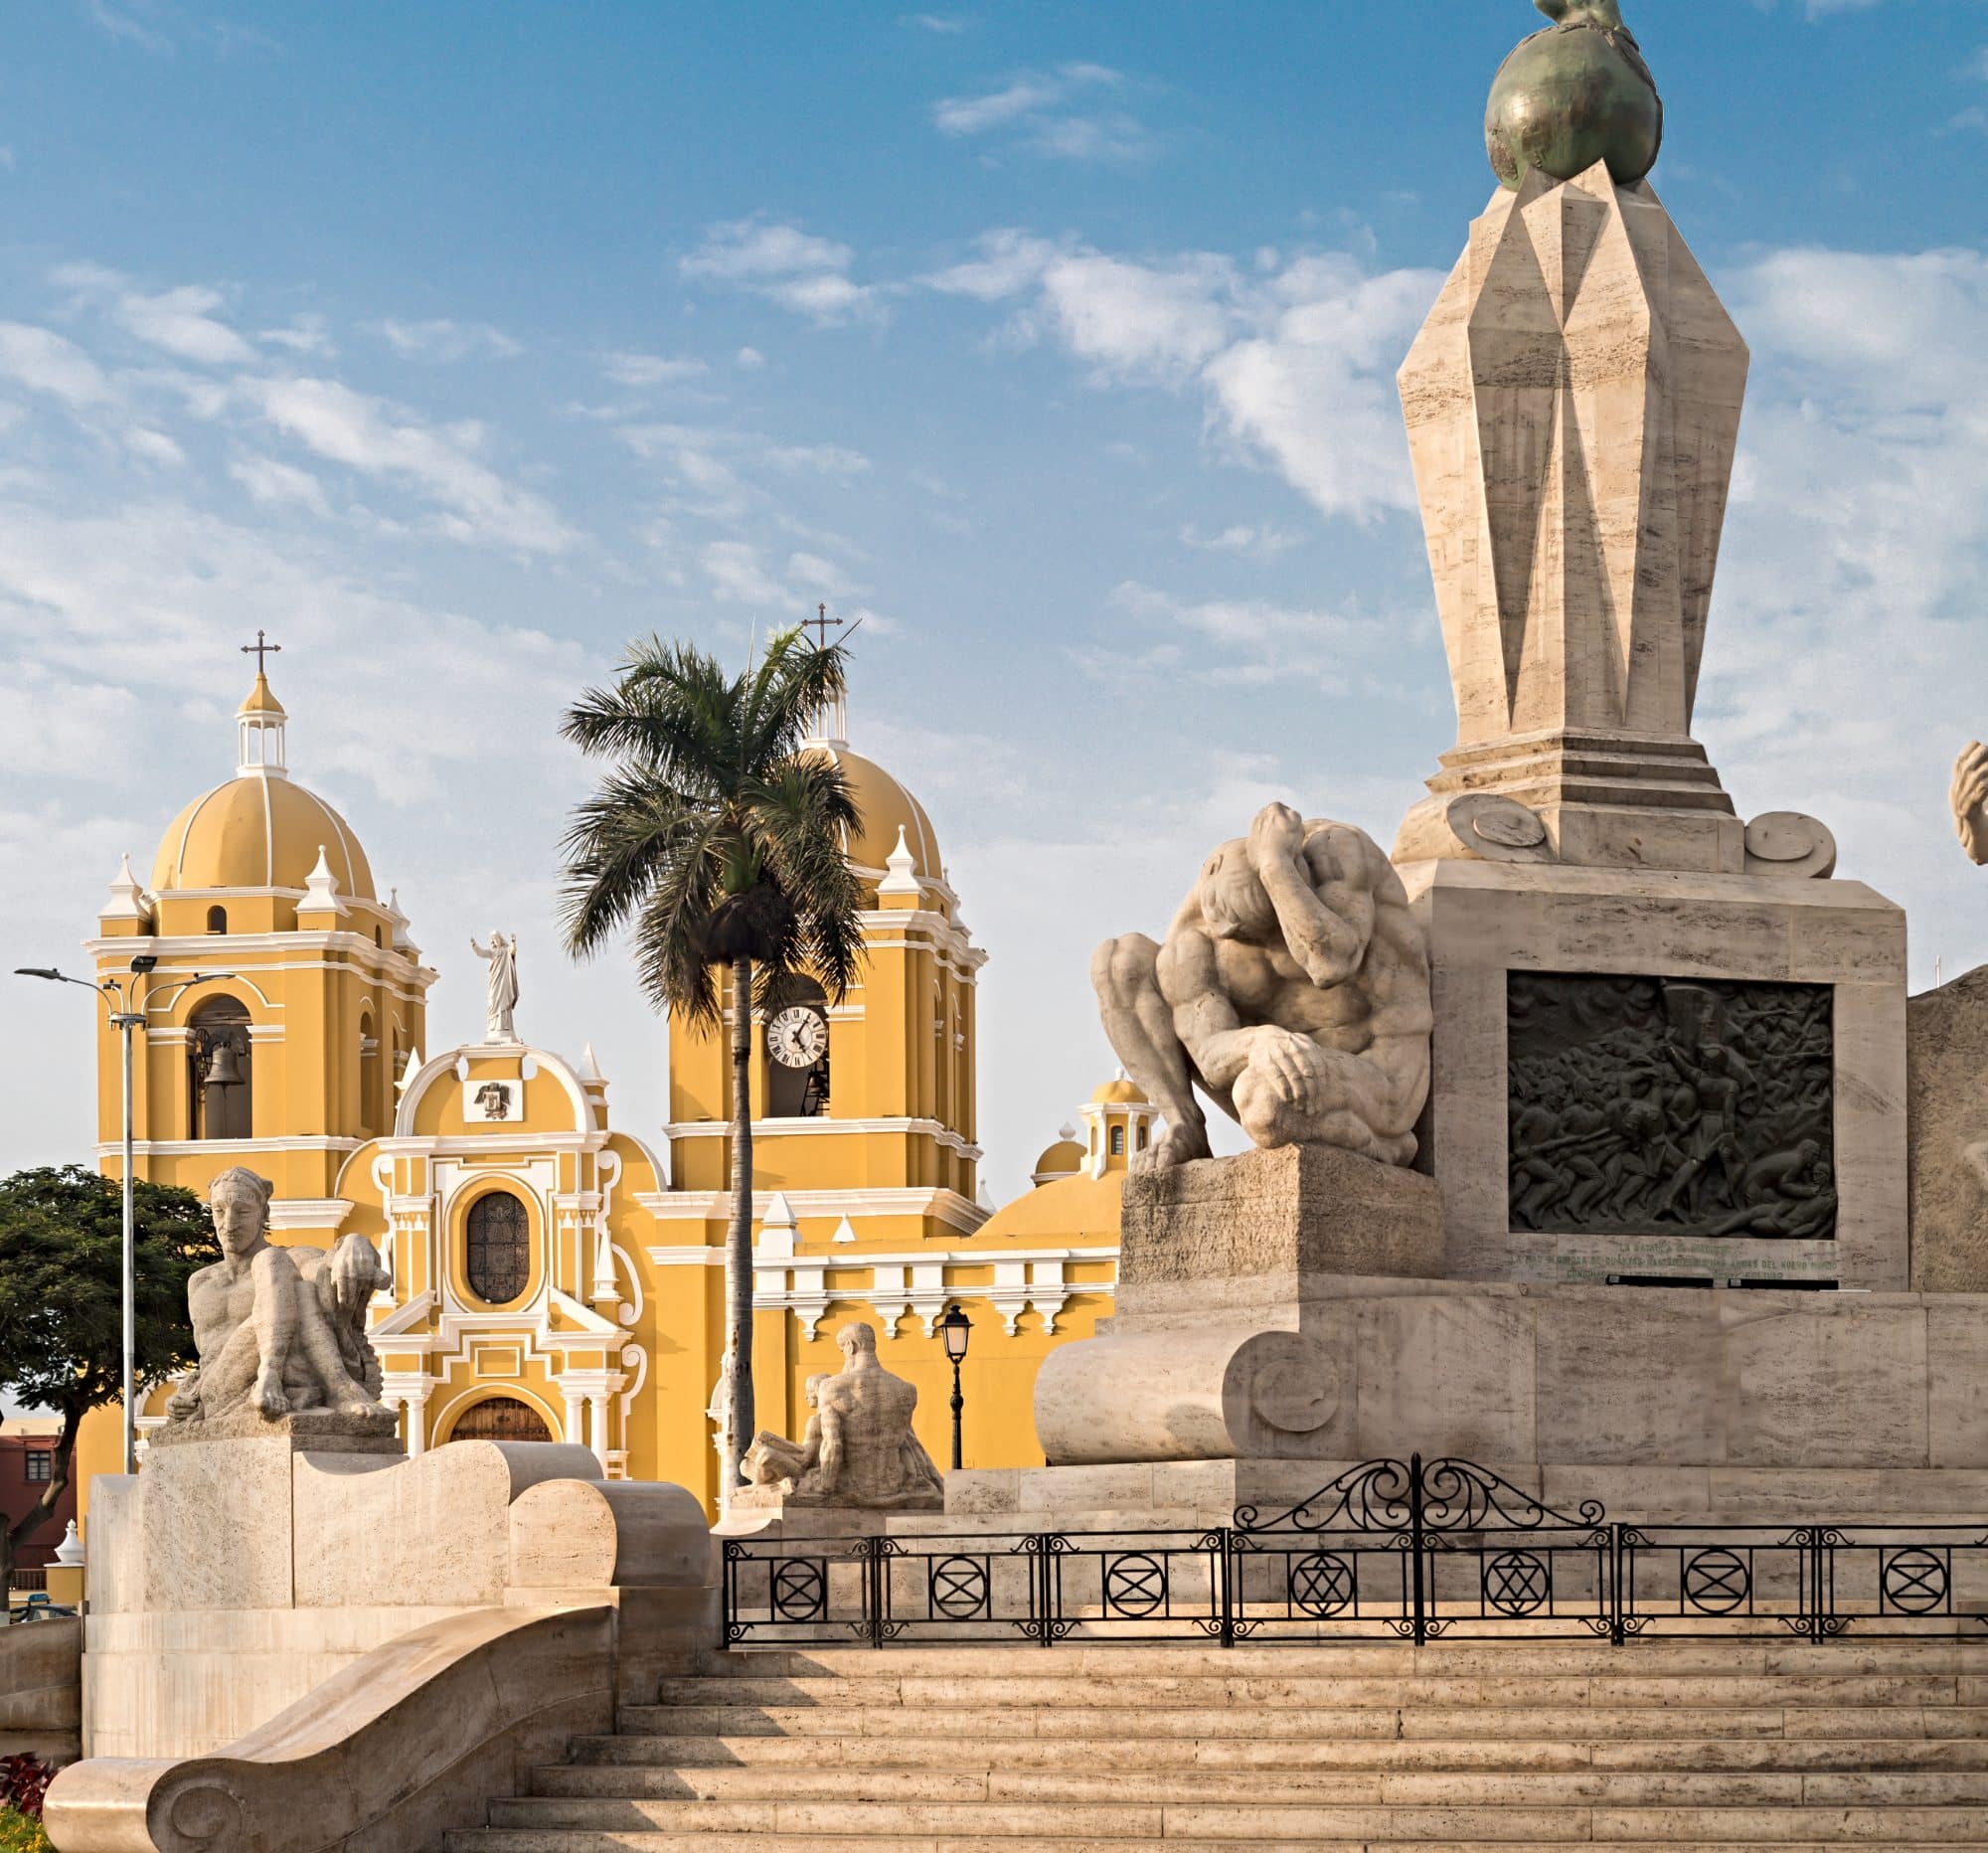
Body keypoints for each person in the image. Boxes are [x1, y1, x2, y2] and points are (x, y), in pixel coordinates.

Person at [1093, 802, 1431, 1169]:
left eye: (1270, 932)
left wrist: (1275, 867)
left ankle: (1385, 1142)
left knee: (1263, 1104)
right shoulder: (1199, 931)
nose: (1263, 948)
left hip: (1377, 1069)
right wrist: (1257, 1041)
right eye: (1242, 939)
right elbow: (1207, 1054)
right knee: (1117, 961)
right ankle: (1184, 1124)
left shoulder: (1337, 852)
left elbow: (1332, 963)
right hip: (1276, 1070)